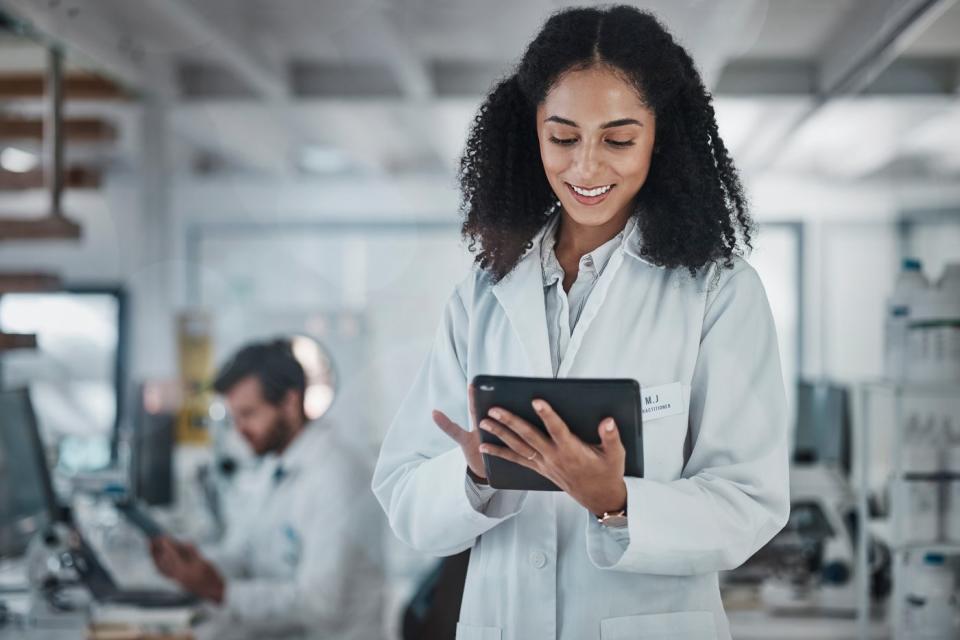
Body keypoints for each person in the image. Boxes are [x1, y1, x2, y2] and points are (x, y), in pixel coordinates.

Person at [372, 6, 790, 640]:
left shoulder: (717, 291)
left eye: (618, 140)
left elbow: (750, 501)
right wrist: (475, 476)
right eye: (562, 138)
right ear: (530, 133)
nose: (587, 168)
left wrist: (618, 502)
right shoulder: (481, 295)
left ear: (661, 137)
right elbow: (404, 495)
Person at [150, 339, 384, 640]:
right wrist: (196, 567)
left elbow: (320, 605)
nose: (239, 430)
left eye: (249, 414)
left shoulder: (337, 477)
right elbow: (242, 555)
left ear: (289, 402)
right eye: (235, 418)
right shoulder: (271, 465)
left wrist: (219, 590)